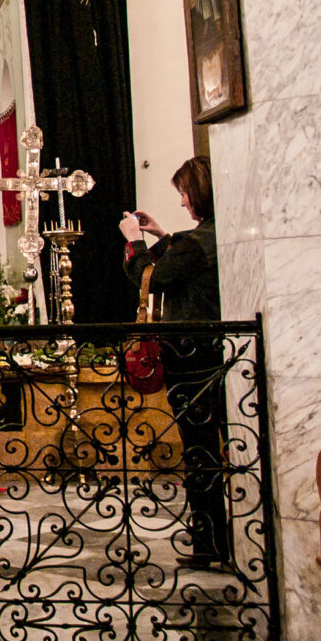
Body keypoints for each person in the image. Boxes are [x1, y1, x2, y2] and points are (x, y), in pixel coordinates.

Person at [120, 155, 228, 567]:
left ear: (197, 193)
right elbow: (185, 259)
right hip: (217, 355)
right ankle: (220, 535)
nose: (182, 202)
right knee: (215, 448)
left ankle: (209, 542)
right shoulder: (216, 235)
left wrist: (134, 240)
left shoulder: (197, 244)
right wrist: (163, 234)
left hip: (192, 360)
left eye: (184, 193)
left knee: (200, 451)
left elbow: (154, 278)